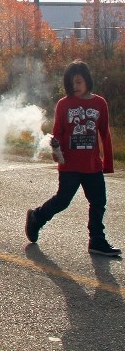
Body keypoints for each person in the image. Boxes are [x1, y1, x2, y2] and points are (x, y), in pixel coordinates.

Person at [26, 60, 119, 256]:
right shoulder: (64, 104)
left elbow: (105, 133)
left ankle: (97, 241)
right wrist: (55, 145)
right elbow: (58, 131)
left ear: (87, 80)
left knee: (98, 201)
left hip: (92, 164)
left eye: (78, 82)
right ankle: (37, 217)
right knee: (63, 200)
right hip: (70, 165)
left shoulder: (99, 103)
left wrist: (108, 163)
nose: (74, 87)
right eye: (70, 83)